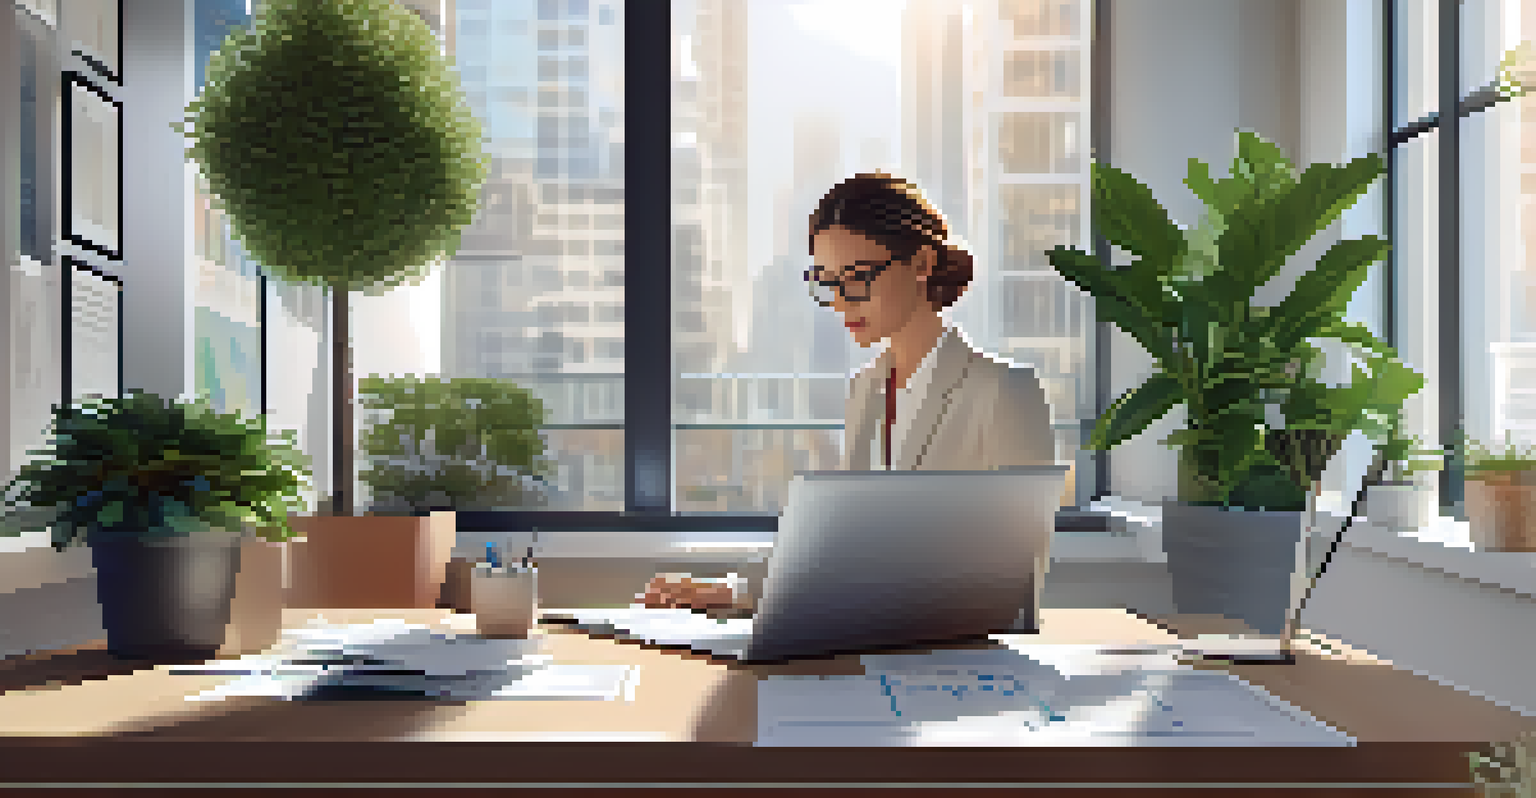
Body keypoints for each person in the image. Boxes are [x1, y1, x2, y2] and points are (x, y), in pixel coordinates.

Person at [642, 171, 1059, 610]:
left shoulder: (1005, 392)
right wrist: (730, 592)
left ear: (921, 264)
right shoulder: (866, 391)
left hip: (960, 657)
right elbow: (842, 544)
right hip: (868, 644)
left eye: (857, 278)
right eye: (826, 281)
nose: (840, 301)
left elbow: (1021, 577)